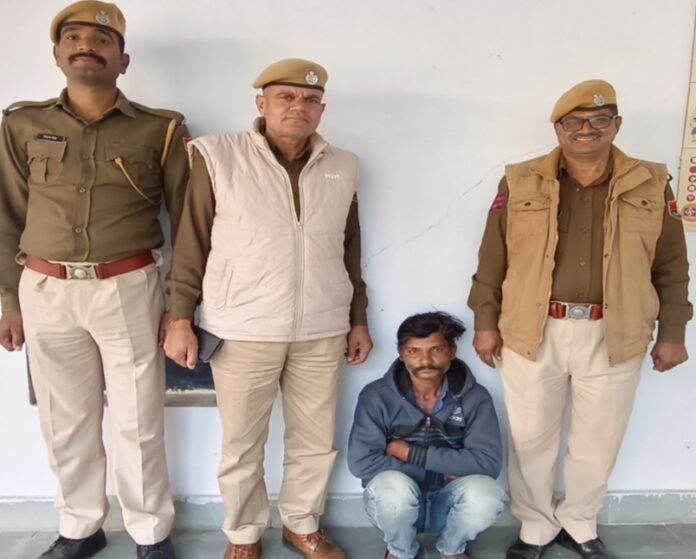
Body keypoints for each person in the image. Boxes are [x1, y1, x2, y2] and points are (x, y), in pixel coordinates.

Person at [467, 79, 692, 559]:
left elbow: (672, 267)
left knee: (598, 440)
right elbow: (492, 258)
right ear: (558, 127)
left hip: (616, 331)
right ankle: (536, 526)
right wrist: (485, 321)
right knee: (531, 438)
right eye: (574, 121)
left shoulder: (652, 183)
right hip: (532, 329)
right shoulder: (520, 181)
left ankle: (579, 521)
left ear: (617, 125)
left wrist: (673, 332)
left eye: (599, 119)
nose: (586, 129)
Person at [0, 2, 190, 558]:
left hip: (126, 287)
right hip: (44, 289)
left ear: (123, 60)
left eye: (102, 40)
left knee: (138, 421)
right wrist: (8, 299)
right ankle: (80, 528)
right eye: (74, 38)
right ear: (57, 54)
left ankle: (150, 533)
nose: (87, 45)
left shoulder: (161, 128)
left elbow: (187, 222)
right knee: (64, 420)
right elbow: (7, 215)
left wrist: (180, 306)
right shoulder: (21, 124)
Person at [164, 58, 373, 559]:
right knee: (242, 443)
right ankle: (244, 533)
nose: (299, 106)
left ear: (322, 109)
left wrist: (357, 317)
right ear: (261, 103)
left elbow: (349, 247)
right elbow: (191, 241)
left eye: (311, 99)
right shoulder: (218, 155)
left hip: (322, 325)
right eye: (286, 97)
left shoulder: (344, 165)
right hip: (242, 326)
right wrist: (179, 317)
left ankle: (302, 524)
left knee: (315, 440)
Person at [347, 311, 506, 559]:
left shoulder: (476, 397)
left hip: (449, 500)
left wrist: (409, 453)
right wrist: (438, 471)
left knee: (487, 494)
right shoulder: (376, 396)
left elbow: (487, 463)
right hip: (398, 504)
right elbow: (361, 462)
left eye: (436, 350)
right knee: (391, 488)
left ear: (452, 351)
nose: (425, 360)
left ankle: (452, 548)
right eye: (414, 351)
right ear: (401, 354)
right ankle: (400, 550)